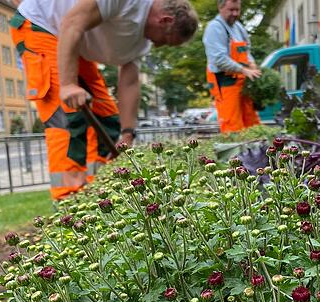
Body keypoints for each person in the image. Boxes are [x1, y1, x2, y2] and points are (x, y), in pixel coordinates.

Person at [10, 0, 198, 200]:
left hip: (74, 41)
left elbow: (129, 83)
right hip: (42, 25)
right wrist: (67, 85)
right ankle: (67, 201)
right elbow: (72, 23)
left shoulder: (141, 42)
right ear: (165, 20)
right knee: (69, 116)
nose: (159, 45)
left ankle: (99, 193)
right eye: (166, 40)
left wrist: (127, 134)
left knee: (106, 118)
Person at [203, 0, 261, 134]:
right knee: (232, 126)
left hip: (242, 82)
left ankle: (256, 152)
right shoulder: (215, 28)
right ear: (220, 7)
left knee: (251, 122)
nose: (235, 13)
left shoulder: (238, 27)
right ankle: (236, 155)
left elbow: (246, 50)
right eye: (231, 10)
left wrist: (252, 64)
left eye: (237, 10)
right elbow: (219, 59)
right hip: (225, 83)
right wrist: (244, 70)